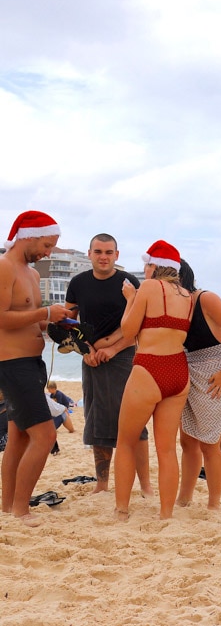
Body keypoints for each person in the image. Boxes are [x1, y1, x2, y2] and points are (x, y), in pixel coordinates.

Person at [65, 233, 153, 496]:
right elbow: (68, 324)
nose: (103, 257)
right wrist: (84, 350)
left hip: (125, 357)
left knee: (134, 422)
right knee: (97, 420)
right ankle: (102, 484)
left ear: (117, 255)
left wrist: (114, 348)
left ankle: (146, 486)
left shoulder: (129, 283)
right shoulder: (78, 283)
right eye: (98, 251)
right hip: (91, 359)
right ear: (90, 253)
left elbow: (140, 325)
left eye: (108, 252)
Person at [113, 241, 193, 520]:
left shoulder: (148, 288)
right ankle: (166, 513)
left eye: (147, 264)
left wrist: (130, 300)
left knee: (125, 441)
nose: (144, 269)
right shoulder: (187, 296)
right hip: (178, 371)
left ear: (154, 266)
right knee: (167, 449)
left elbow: (128, 329)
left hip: (150, 367)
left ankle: (122, 510)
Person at [0, 211, 71, 526]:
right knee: (43, 435)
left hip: (32, 362)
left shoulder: (32, 274)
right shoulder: (4, 268)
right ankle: (21, 510)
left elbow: (33, 317)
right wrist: (44, 311)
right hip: (12, 364)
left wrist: (58, 320)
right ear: (28, 236)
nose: (48, 252)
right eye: (46, 244)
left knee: (18, 437)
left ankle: (7, 508)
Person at [175, 260, 221, 510]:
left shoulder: (206, 299)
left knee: (210, 444)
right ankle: (184, 498)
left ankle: (214, 504)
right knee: (187, 442)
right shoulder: (174, 306)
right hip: (190, 375)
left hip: (217, 375)